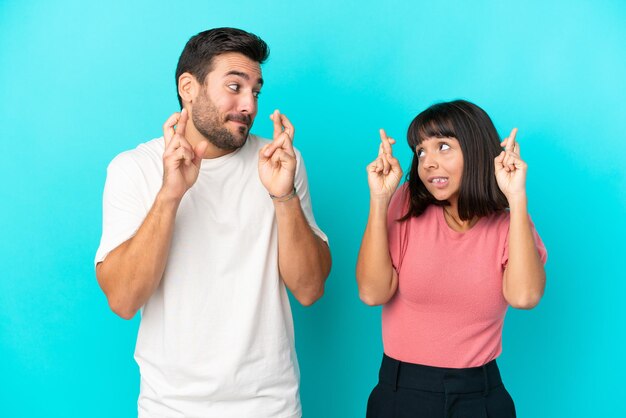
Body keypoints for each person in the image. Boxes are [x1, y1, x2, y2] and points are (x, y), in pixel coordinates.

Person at [95, 27, 331, 418]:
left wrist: (283, 196)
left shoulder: (280, 163)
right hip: (171, 407)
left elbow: (309, 289)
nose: (249, 105)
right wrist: (170, 194)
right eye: (234, 86)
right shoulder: (133, 169)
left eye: (255, 91)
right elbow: (123, 299)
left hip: (270, 406)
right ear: (188, 87)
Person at [356, 100, 547, 417]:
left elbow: (525, 296)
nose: (428, 162)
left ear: (475, 150)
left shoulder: (508, 225)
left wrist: (516, 197)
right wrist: (379, 200)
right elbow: (372, 292)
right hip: (402, 392)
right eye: (421, 151)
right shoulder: (405, 205)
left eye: (442, 146)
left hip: (480, 395)